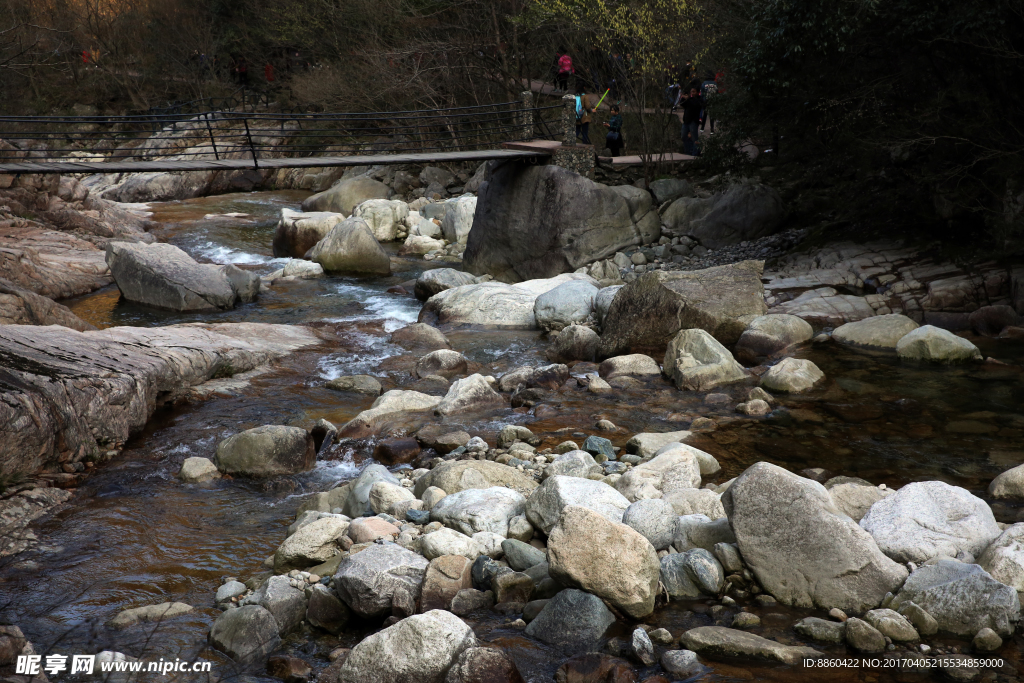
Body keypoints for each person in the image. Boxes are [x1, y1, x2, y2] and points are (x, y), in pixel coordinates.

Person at [680, 86, 703, 155]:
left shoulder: (699, 100)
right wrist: (683, 98)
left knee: (694, 138)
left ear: (698, 92)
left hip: (694, 121)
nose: (692, 93)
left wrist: (688, 99)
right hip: (686, 121)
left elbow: (695, 105)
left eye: (694, 92)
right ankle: (688, 151)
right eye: (691, 92)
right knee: (684, 136)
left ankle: (695, 153)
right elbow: (683, 104)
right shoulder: (689, 99)